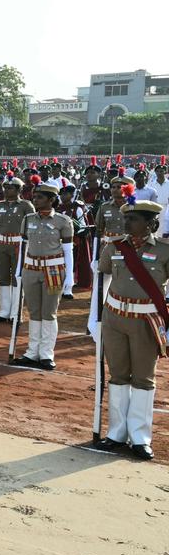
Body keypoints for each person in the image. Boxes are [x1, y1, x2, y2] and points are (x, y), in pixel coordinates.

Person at [91, 194, 168, 461]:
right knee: (118, 375)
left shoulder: (164, 250)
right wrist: (94, 318)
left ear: (150, 224)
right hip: (114, 318)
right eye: (125, 217)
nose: (126, 222)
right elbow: (102, 280)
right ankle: (116, 433)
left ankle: (140, 437)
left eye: (133, 218)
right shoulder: (113, 247)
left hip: (145, 321)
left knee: (144, 379)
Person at [11, 180, 74, 370]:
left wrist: (69, 279)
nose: (35, 199)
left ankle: (46, 353)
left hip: (53, 269)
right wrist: (19, 270)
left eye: (40, 197)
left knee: (49, 312)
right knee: (34, 312)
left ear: (52, 199)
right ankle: (32, 351)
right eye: (35, 196)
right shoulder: (28, 219)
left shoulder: (63, 221)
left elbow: (68, 251)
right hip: (31, 269)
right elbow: (23, 247)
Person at [0, 176, 34, 323]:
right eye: (5, 187)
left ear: (19, 189)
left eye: (10, 188)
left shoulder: (26, 206)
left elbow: (31, 227)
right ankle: (4, 311)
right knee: (3, 278)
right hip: (2, 244)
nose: (6, 190)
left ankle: (16, 312)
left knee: (17, 277)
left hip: (18, 244)